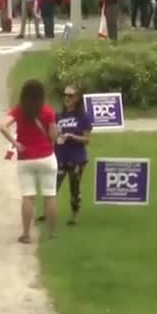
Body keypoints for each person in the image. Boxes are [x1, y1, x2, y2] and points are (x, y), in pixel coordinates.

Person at [0, 79, 59, 244]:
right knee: (50, 196)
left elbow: (2, 126)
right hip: (46, 157)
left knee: (28, 197)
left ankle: (26, 234)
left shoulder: (19, 110)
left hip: (26, 158)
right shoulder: (48, 112)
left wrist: (15, 143)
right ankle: (52, 234)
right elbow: (54, 136)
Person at [52, 86, 92, 226]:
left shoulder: (83, 117)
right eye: (65, 95)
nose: (67, 98)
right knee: (52, 187)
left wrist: (72, 136)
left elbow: (86, 140)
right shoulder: (58, 116)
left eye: (70, 95)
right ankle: (48, 213)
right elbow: (51, 135)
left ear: (77, 98)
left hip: (76, 158)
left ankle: (74, 216)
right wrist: (56, 136)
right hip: (60, 156)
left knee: (74, 189)